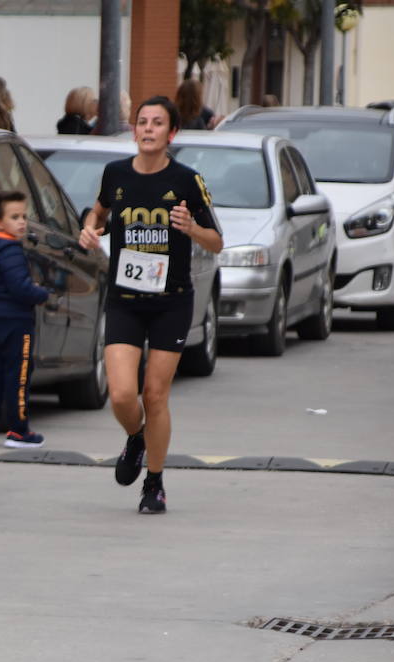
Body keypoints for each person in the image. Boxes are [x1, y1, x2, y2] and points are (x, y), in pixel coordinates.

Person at [78, 96, 222, 514]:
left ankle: (154, 484)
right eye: (142, 122)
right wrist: (90, 230)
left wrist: (191, 227)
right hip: (125, 298)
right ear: (134, 128)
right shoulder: (116, 173)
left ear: (171, 133)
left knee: (155, 394)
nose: (148, 129)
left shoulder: (187, 180)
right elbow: (98, 213)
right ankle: (137, 436)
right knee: (122, 394)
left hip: (171, 301)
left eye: (157, 123)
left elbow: (217, 241)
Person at [0, 191, 52, 449]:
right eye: (14, 217)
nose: (22, 222)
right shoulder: (11, 251)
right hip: (16, 321)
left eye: (24, 217)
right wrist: (42, 293)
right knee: (18, 376)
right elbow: (20, 288)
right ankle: (18, 431)